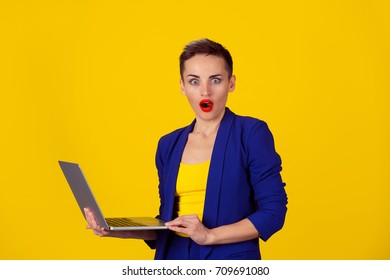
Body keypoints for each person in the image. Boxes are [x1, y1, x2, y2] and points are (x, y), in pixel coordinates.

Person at [84, 38, 288, 260]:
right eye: (194, 81)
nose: (205, 92)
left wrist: (209, 235)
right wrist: (113, 230)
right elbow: (167, 224)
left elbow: (273, 213)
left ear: (231, 83)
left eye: (216, 80)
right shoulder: (168, 145)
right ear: (182, 85)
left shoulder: (251, 133)